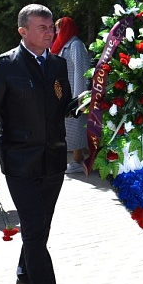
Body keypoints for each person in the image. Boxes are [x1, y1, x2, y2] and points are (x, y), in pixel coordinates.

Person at [0, 4, 74, 284]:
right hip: (21, 162)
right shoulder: (3, 66)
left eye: (52, 26)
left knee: (40, 228)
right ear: (23, 31)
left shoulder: (57, 64)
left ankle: (25, 277)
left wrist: (90, 103)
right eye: (43, 27)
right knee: (33, 230)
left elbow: (62, 106)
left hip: (53, 160)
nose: (50, 32)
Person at [50, 16, 87, 174]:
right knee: (69, 128)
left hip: (74, 93)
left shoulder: (75, 45)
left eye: (59, 28)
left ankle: (78, 160)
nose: (57, 31)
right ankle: (76, 159)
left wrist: (79, 97)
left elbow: (81, 70)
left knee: (76, 127)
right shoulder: (64, 45)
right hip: (64, 93)